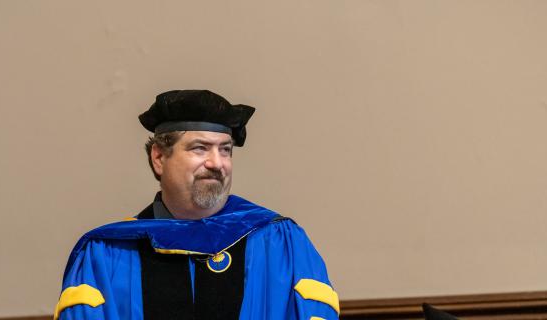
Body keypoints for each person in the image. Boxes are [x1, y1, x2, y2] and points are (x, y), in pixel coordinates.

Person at [55, 90, 339, 320]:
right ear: (158, 158)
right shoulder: (107, 254)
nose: (216, 163)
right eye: (199, 148)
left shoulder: (279, 242)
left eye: (225, 150)